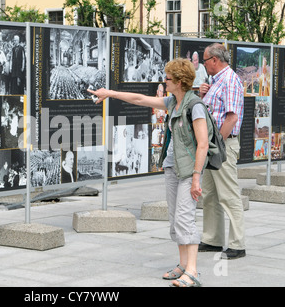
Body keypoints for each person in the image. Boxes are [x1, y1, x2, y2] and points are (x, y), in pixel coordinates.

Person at [89, 58, 210, 287]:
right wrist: (110, 93)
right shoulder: (173, 101)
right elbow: (140, 99)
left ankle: (192, 272)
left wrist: (196, 178)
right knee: (175, 218)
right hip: (173, 166)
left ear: (180, 81)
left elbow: (202, 144)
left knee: (185, 218)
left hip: (189, 170)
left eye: (168, 78)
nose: (164, 81)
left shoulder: (195, 106)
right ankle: (183, 265)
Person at [198, 43, 246, 260]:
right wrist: (202, 94)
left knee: (228, 195)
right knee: (210, 194)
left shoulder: (230, 81)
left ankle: (237, 244)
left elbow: (232, 117)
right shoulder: (216, 82)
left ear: (215, 60)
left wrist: (216, 144)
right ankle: (212, 239)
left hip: (222, 145)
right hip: (211, 146)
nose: (204, 64)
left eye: (205, 61)